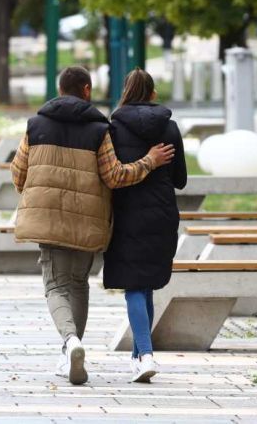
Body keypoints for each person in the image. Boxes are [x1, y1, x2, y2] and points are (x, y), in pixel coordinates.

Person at [10, 66, 175, 386]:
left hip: (48, 221)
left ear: (60, 89)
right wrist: (150, 162)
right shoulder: (100, 129)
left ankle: (71, 342)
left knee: (56, 286)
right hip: (88, 223)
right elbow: (115, 176)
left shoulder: (36, 125)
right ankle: (71, 350)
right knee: (78, 283)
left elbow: (19, 174)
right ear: (86, 90)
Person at [103, 69, 187, 383]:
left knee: (134, 286)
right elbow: (180, 179)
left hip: (127, 214)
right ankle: (139, 357)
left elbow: (109, 175)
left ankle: (147, 354)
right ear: (152, 94)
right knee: (146, 284)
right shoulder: (170, 129)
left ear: (125, 92)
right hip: (162, 213)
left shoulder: (112, 129)